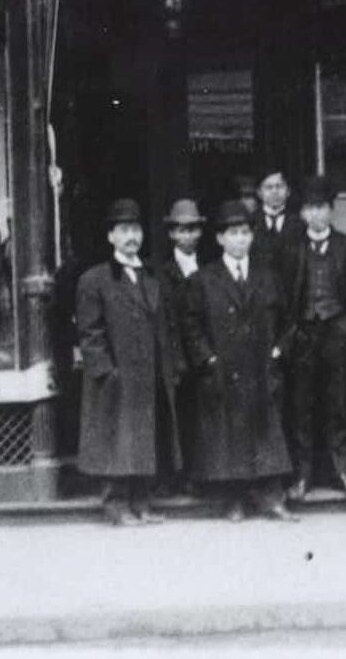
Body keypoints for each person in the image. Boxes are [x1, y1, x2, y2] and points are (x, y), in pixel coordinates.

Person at [183, 200, 297, 522]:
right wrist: (208, 358)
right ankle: (233, 499)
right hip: (224, 368)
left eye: (245, 232)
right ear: (220, 239)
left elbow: (288, 321)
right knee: (227, 436)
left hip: (261, 368)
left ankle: (272, 498)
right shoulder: (204, 280)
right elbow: (190, 325)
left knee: (267, 433)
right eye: (233, 233)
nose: (240, 239)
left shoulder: (268, 277)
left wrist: (278, 352)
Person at [74, 197, 182, 527]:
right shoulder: (95, 279)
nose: (131, 236)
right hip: (116, 375)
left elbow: (166, 326)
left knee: (144, 439)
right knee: (115, 439)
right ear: (111, 237)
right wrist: (106, 371)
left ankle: (142, 501)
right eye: (123, 230)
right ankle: (116, 504)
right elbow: (89, 331)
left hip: (149, 374)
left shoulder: (153, 277)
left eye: (135, 229)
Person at [281, 175, 346, 501]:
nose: (315, 215)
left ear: (331, 210)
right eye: (309, 209)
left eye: (321, 208)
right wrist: (293, 330)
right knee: (301, 406)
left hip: (339, 336)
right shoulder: (291, 250)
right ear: (302, 214)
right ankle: (302, 476)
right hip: (304, 334)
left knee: (339, 404)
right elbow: (282, 294)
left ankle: (344, 473)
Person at [152, 197, 208, 491]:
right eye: (181, 230)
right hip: (175, 359)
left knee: (204, 417)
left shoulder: (210, 269)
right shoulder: (159, 273)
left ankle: (200, 476)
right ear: (172, 234)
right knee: (175, 418)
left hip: (205, 357)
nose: (187, 235)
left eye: (192, 229)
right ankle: (174, 476)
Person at [249, 168, 304, 280]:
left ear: (288, 191)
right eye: (269, 187)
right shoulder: (250, 223)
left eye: (279, 186)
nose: (275, 191)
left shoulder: (301, 224)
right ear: (259, 193)